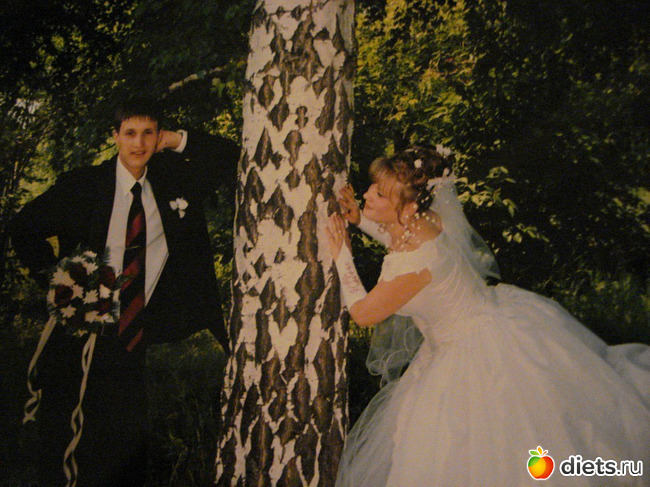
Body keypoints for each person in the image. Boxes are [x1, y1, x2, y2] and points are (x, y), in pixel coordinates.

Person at [326, 146, 650, 486]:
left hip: (469, 353)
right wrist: (361, 220)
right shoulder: (428, 221)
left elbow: (363, 313)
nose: (367, 193)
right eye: (373, 188)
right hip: (494, 320)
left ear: (407, 208)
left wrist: (341, 254)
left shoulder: (415, 265)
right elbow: (401, 239)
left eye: (379, 194)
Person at [9, 96, 239, 486]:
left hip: (135, 331)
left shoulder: (173, 180)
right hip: (82, 332)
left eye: (148, 133)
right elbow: (23, 227)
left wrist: (175, 139)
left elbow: (231, 158)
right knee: (67, 430)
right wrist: (60, 281)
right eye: (130, 133)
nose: (139, 143)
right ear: (114, 136)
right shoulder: (83, 186)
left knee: (126, 437)